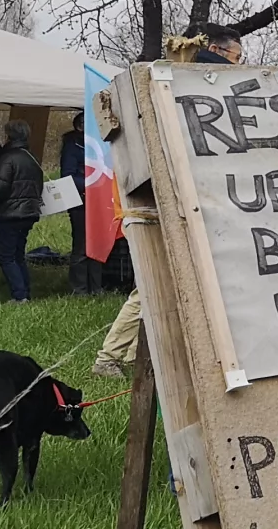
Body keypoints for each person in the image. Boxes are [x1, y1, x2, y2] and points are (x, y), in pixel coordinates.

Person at [93, 28, 245, 378]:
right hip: (156, 203)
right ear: (215, 51)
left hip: (156, 200)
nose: (237, 66)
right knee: (150, 284)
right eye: (236, 58)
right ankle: (109, 357)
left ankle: (133, 354)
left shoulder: (177, 83)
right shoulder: (192, 85)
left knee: (166, 284)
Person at [0, 119, 45, 303]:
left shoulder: (8, 158)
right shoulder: (31, 158)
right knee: (18, 255)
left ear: (8, 136)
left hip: (9, 214)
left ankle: (19, 296)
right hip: (28, 213)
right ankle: (25, 292)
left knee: (5, 256)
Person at [60, 112, 95, 296]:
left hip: (100, 201)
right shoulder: (72, 146)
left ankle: (97, 287)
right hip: (81, 200)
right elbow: (68, 175)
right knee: (81, 246)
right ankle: (79, 288)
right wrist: (93, 185)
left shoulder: (99, 143)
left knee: (98, 244)